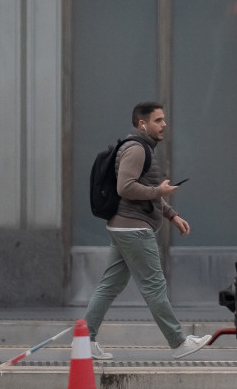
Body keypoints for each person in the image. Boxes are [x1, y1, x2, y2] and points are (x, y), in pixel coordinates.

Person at [83, 102, 212, 360]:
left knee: (109, 286)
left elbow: (144, 192)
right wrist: (159, 191)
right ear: (143, 124)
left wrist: (171, 214)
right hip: (134, 230)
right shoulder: (137, 150)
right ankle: (178, 342)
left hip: (123, 226)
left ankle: (84, 340)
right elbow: (125, 188)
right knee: (154, 287)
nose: (164, 124)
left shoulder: (141, 148)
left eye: (163, 119)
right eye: (158, 120)